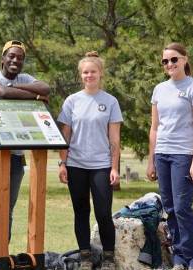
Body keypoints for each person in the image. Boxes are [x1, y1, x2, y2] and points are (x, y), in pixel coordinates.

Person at [0, 40, 50, 270]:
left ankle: (0, 254)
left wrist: (25, 92)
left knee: (7, 207)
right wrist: (34, 97)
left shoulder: (25, 78)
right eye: (11, 56)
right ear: (3, 58)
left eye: (20, 58)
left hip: (15, 154)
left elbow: (46, 88)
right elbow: (3, 92)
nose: (15, 61)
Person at [146, 43, 193, 270]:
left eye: (174, 59)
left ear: (184, 59)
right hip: (162, 154)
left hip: (184, 155)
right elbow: (154, 127)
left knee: (183, 208)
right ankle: (180, 258)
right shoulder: (159, 89)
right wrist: (151, 159)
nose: (170, 64)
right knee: (171, 209)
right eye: (165, 61)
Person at [57, 51, 122, 270]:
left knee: (103, 212)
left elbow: (114, 139)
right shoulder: (72, 101)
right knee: (81, 211)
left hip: (102, 166)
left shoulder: (110, 101)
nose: (89, 75)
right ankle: (85, 255)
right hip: (76, 165)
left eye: (93, 71)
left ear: (100, 73)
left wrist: (114, 167)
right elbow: (64, 136)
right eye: (85, 72)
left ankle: (109, 257)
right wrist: (62, 163)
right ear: (80, 75)